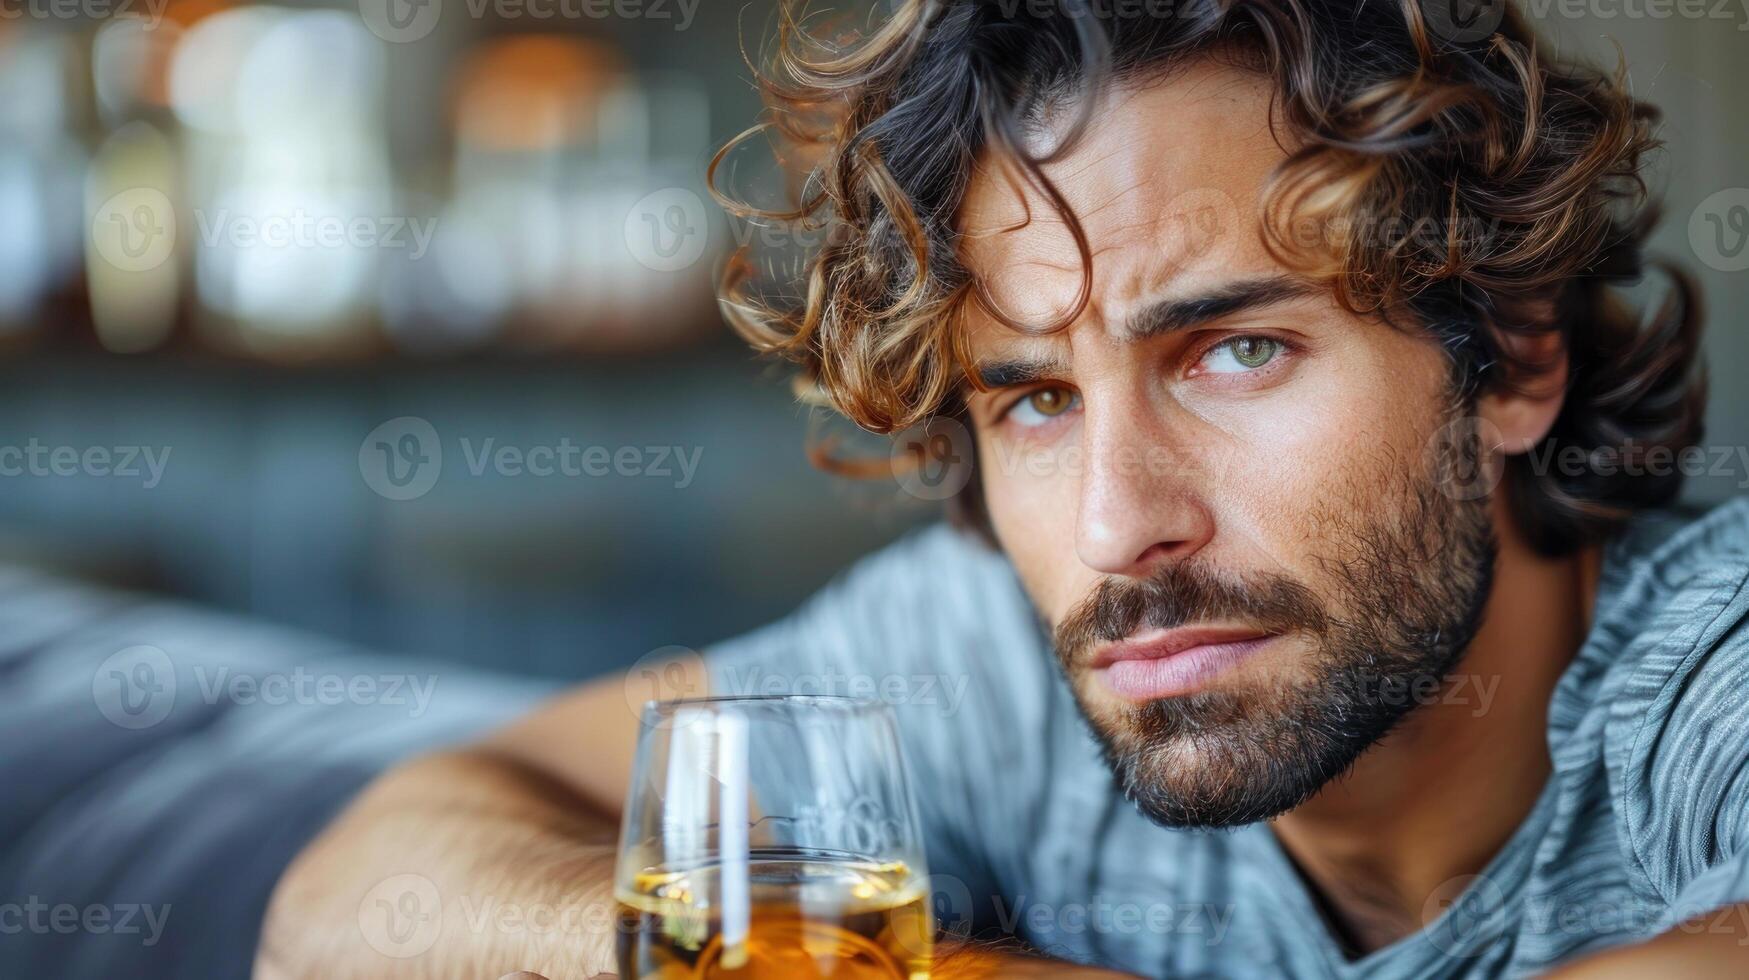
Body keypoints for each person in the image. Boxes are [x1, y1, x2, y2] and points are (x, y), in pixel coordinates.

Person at [257, 1, 1749, 976]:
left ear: (1508, 357)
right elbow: (349, 898)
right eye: (1032, 398)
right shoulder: (992, 657)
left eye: (1235, 352)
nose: (1117, 527)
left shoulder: (1704, 668)